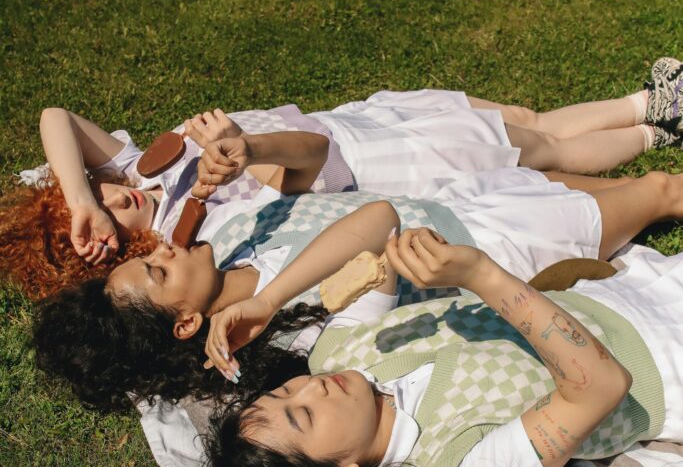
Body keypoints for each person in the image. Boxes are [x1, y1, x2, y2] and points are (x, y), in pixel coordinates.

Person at [187, 227, 682, 467]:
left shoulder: (337, 356)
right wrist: (481, 276)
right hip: (667, 362)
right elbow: (601, 384)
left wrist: (269, 301)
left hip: (627, 286)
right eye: (304, 414)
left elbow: (378, 222)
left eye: (285, 390)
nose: (310, 388)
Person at [4, 55, 683, 294]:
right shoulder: (204, 217)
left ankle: (650, 110)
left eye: (97, 193)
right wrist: (246, 144)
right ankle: (656, 115)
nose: (113, 195)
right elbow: (305, 163)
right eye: (109, 214)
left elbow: (56, 118)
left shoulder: (137, 173)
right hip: (384, 160)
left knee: (524, 116)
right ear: (125, 250)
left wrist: (78, 199)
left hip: (368, 121)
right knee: (543, 150)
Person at [32, 164, 683, 411]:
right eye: (158, 270)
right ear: (183, 321)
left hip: (471, 195)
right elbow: (377, 226)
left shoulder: (232, 249)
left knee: (650, 181)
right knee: (660, 192)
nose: (166, 247)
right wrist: (264, 301)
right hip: (506, 244)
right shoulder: (301, 320)